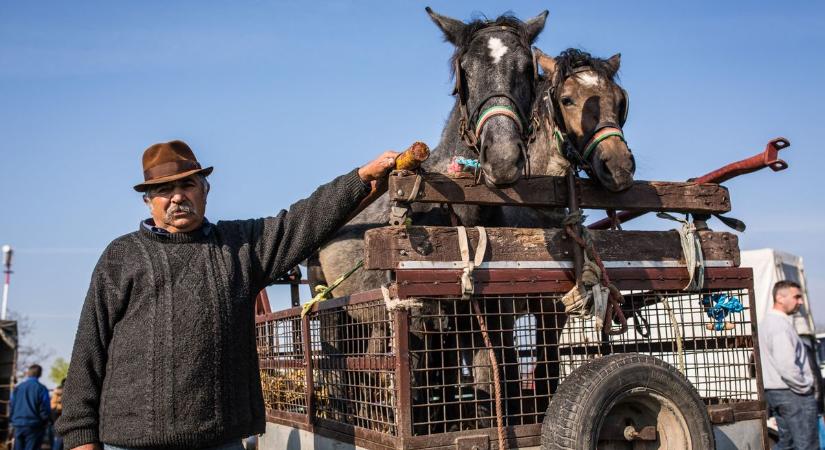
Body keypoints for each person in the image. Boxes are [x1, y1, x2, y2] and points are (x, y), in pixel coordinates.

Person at [55, 140, 399, 450]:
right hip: (132, 443)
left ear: (205, 189)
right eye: (164, 189)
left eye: (187, 184)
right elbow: (90, 344)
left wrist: (360, 177)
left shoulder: (240, 247)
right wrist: (80, 438)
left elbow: (303, 220)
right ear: (148, 202)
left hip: (220, 441)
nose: (177, 197)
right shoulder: (122, 255)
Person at [759, 280, 820, 449]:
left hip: (778, 392)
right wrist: (806, 387)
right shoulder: (779, 326)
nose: (800, 301)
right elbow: (787, 366)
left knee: (788, 443)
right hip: (792, 393)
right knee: (806, 444)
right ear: (780, 297)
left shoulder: (767, 323)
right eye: (796, 297)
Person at [9, 364, 52, 450]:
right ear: (40, 374)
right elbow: (45, 408)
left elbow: (11, 405)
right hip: (34, 426)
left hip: (18, 425)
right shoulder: (41, 389)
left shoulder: (18, 388)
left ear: (28, 373)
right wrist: (46, 420)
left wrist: (12, 420)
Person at [51, 379, 65, 450]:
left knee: (58, 441)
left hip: (57, 420)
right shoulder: (57, 393)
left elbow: (52, 406)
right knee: (59, 441)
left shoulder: (56, 392)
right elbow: (53, 406)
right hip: (59, 420)